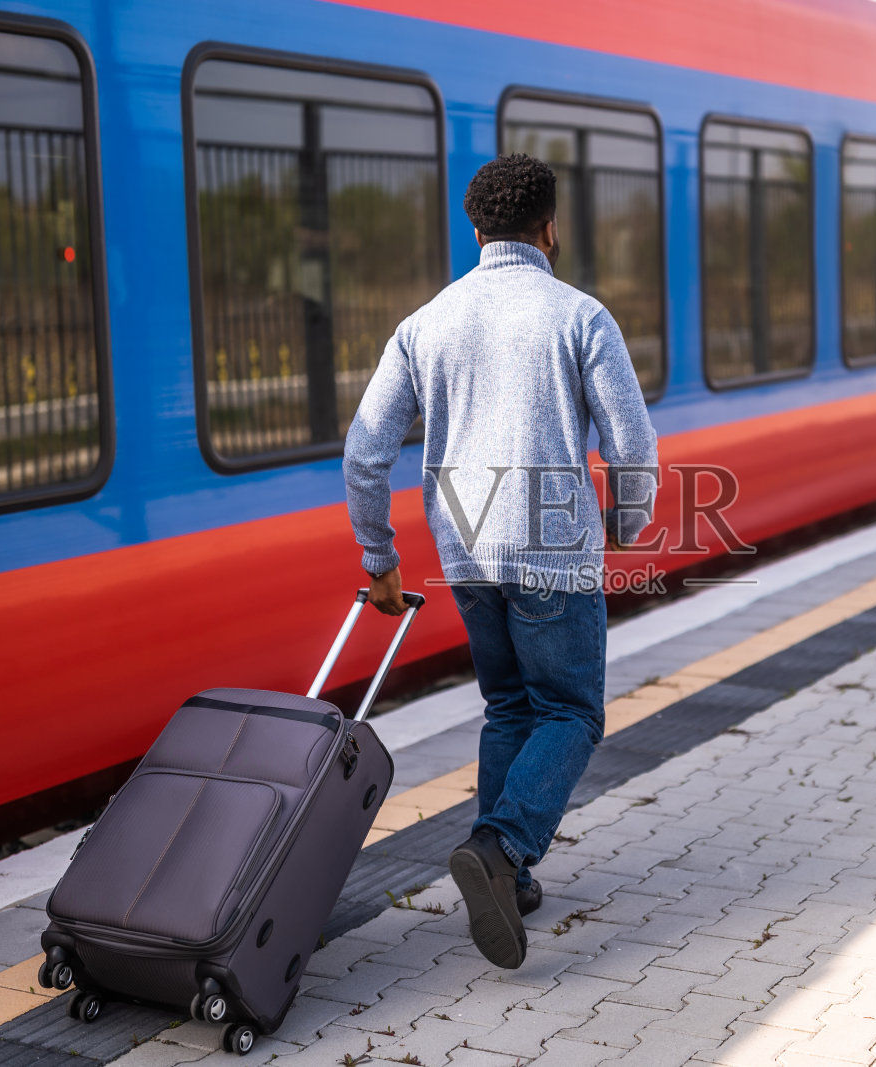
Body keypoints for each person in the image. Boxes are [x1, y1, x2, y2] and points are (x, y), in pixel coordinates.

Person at [343, 154, 659, 969]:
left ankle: (506, 877)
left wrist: (379, 556)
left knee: (509, 707)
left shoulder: (424, 325)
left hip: (467, 555)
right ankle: (501, 844)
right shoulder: (581, 316)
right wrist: (629, 518)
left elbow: (364, 451)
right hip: (553, 552)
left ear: (475, 229)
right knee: (571, 713)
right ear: (549, 229)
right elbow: (630, 441)